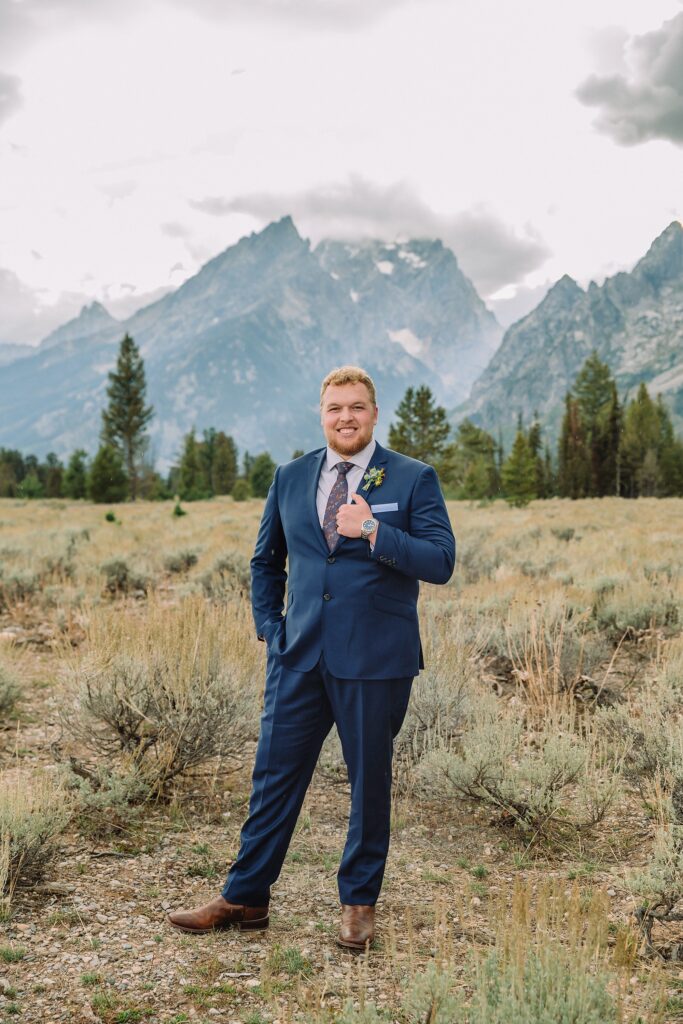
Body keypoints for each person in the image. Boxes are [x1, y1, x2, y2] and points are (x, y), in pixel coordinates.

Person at [167, 365, 456, 949]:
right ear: (321, 415)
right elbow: (264, 561)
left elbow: (441, 561)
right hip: (297, 656)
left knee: (368, 783)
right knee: (273, 778)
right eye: (334, 408)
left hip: (376, 661)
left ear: (374, 414)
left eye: (356, 407)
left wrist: (375, 530)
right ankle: (246, 895)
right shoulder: (291, 476)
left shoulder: (412, 477)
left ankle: (358, 903)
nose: (345, 417)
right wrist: (271, 630)